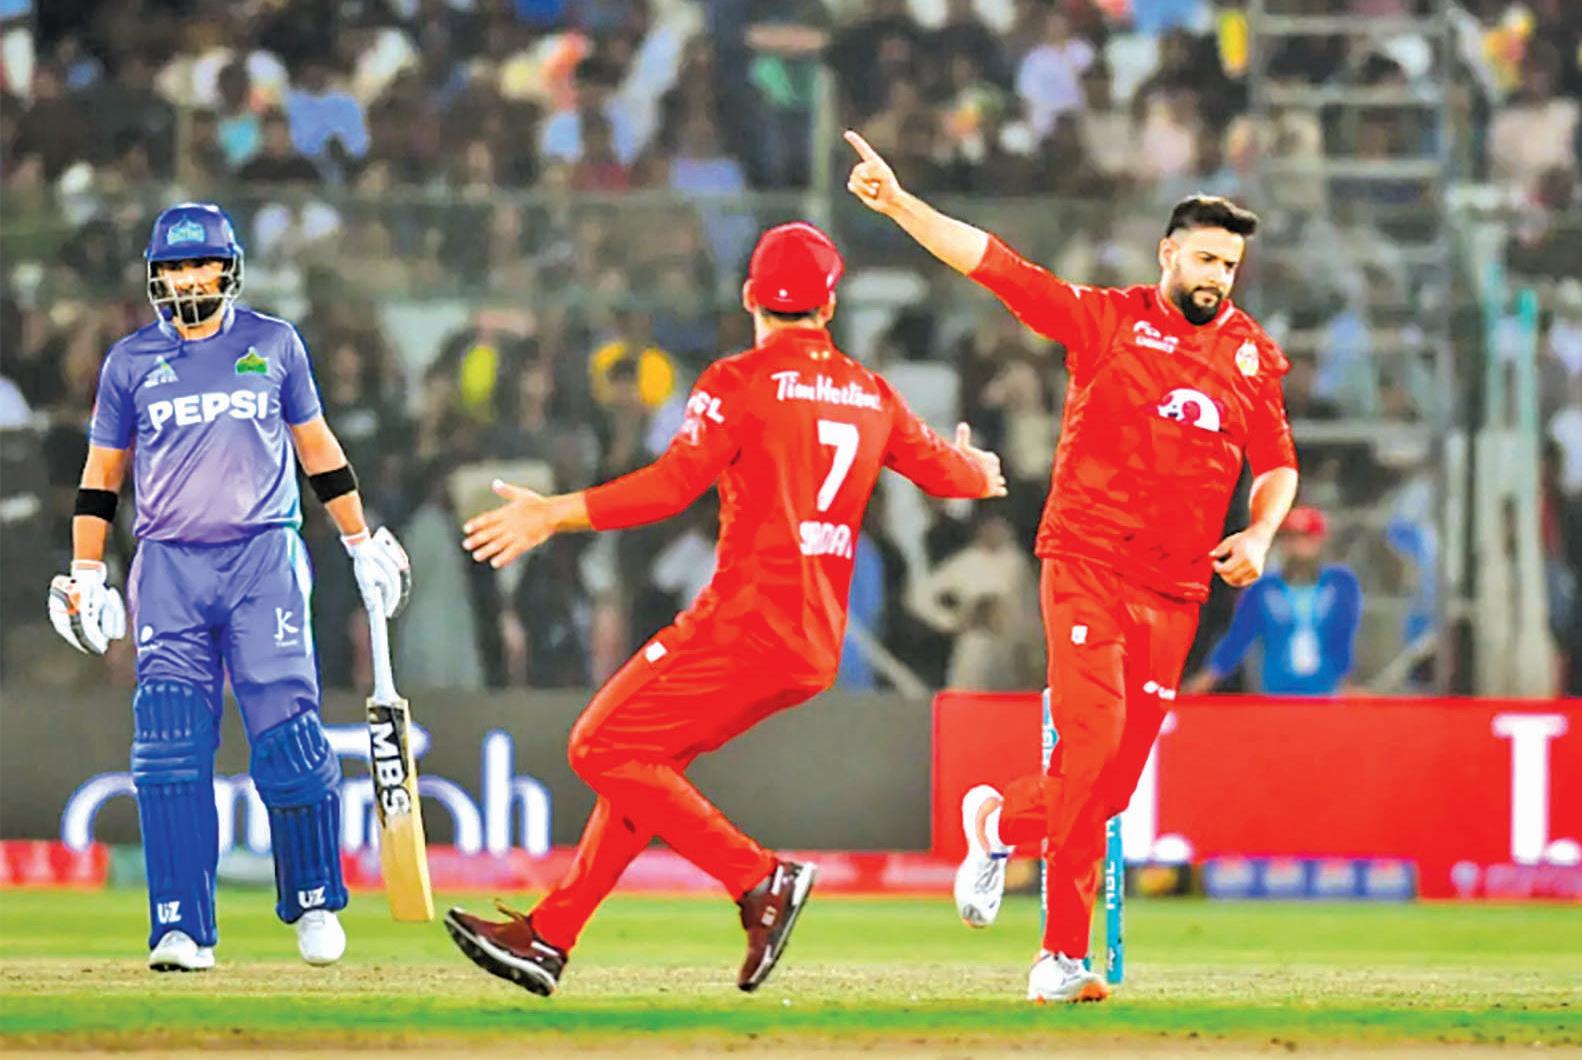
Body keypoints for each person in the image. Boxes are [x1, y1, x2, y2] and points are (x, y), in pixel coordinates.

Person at [443, 222, 1006, 997]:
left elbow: (672, 487)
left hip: (744, 624)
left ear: (749, 296)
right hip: (815, 643)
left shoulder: (738, 381)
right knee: (645, 765)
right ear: (830, 305)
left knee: (600, 746)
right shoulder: (869, 392)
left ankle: (759, 879)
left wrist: (553, 513)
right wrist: (978, 469)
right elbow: (951, 477)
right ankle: (550, 936)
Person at [845, 132, 1299, 1002]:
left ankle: (997, 821)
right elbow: (996, 266)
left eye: (1231, 265)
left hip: (1177, 590)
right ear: (1168, 253)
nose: (1218, 277)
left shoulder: (1249, 356)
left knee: (1109, 790)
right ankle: (1059, 959)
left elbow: (1277, 463)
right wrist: (900, 204)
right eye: (1206, 258)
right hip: (1087, 563)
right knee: (1089, 754)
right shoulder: (1107, 321)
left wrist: (1260, 533)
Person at [47, 203, 411, 972]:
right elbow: (100, 477)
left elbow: (318, 449)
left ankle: (314, 900)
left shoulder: (274, 345)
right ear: (156, 277)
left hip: (262, 562)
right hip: (168, 568)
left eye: (200, 264)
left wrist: (360, 539)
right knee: (168, 748)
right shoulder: (129, 363)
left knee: (289, 738)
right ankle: (180, 925)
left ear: (228, 269)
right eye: (174, 268)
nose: (187, 280)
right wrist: (85, 569)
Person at [1183, 506, 1363, 696]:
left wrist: (1349, 685)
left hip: (1327, 693)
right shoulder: (1263, 589)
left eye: (1306, 538)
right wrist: (1206, 680)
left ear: (1320, 541)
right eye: (1291, 538)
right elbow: (1238, 638)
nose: (1299, 547)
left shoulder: (1340, 584)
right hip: (1277, 694)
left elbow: (1343, 637)